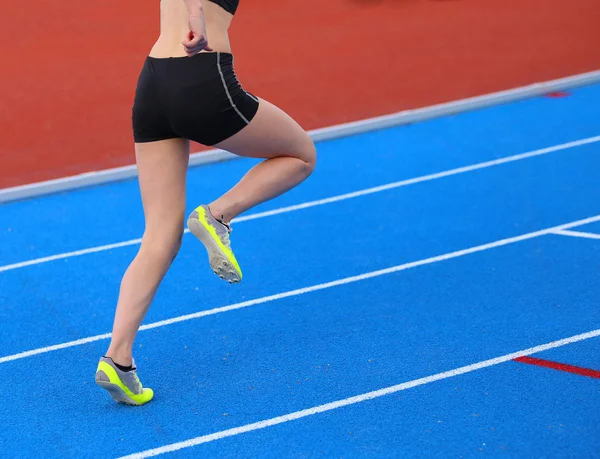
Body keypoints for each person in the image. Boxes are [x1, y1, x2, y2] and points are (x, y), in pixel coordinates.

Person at [94, 0, 316, 405]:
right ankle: (216, 215)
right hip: (200, 69)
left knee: (159, 236)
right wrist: (197, 16)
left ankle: (118, 359)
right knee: (301, 156)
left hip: (154, 81)